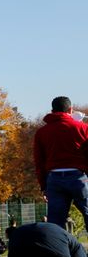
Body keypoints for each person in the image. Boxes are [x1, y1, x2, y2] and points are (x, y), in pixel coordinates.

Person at [34, 96, 88, 228]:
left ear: (52, 111)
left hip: (54, 179)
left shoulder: (42, 133)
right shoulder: (82, 128)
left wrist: (44, 185)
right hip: (78, 177)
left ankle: (57, 248)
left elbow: (39, 161)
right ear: (70, 109)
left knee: (56, 223)